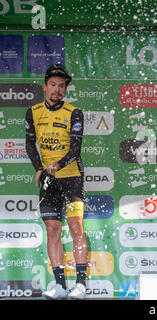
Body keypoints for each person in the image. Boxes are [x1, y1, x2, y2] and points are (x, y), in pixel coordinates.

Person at [25, 64, 88, 299]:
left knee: (76, 227)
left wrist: (58, 165)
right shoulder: (33, 112)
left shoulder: (74, 112)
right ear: (45, 86)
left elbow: (76, 147)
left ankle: (80, 283)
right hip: (48, 180)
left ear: (65, 89)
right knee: (52, 229)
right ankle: (60, 284)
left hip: (72, 177)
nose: (57, 90)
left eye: (61, 86)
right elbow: (29, 144)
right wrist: (39, 168)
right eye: (53, 85)